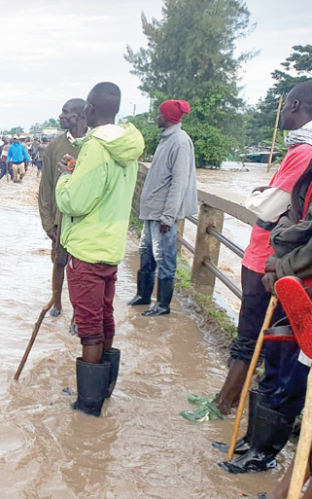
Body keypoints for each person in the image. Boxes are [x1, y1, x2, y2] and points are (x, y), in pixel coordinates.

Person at [215, 81, 312, 475]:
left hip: (294, 278)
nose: (282, 114)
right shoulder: (301, 153)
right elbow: (293, 215)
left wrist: (282, 263)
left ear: (296, 106)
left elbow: (283, 212)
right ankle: (255, 445)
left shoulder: (303, 152)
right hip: (286, 271)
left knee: (286, 368)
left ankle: (263, 453)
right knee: (275, 358)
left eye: (285, 107)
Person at [55, 82, 145, 416]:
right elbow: (106, 190)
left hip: (87, 248)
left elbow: (74, 201)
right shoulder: (127, 145)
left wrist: (66, 179)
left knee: (90, 329)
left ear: (90, 110)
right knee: (105, 319)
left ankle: (87, 405)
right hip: (111, 246)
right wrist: (80, 174)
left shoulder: (95, 147)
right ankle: (103, 392)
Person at [129, 100, 198, 316]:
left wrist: (168, 217)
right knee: (146, 254)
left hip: (162, 214)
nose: (156, 118)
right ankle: (143, 296)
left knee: (164, 258)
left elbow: (179, 182)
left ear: (168, 118)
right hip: (152, 211)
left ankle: (163, 305)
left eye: (159, 114)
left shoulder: (180, 142)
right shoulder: (166, 139)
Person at [39, 98, 88, 317]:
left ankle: (79, 313)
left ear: (79, 116)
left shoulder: (93, 145)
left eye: (65, 113)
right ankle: (56, 303)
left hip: (86, 220)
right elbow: (46, 187)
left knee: (83, 269)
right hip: (60, 219)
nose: (61, 116)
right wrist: (48, 224)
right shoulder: (55, 146)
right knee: (59, 261)